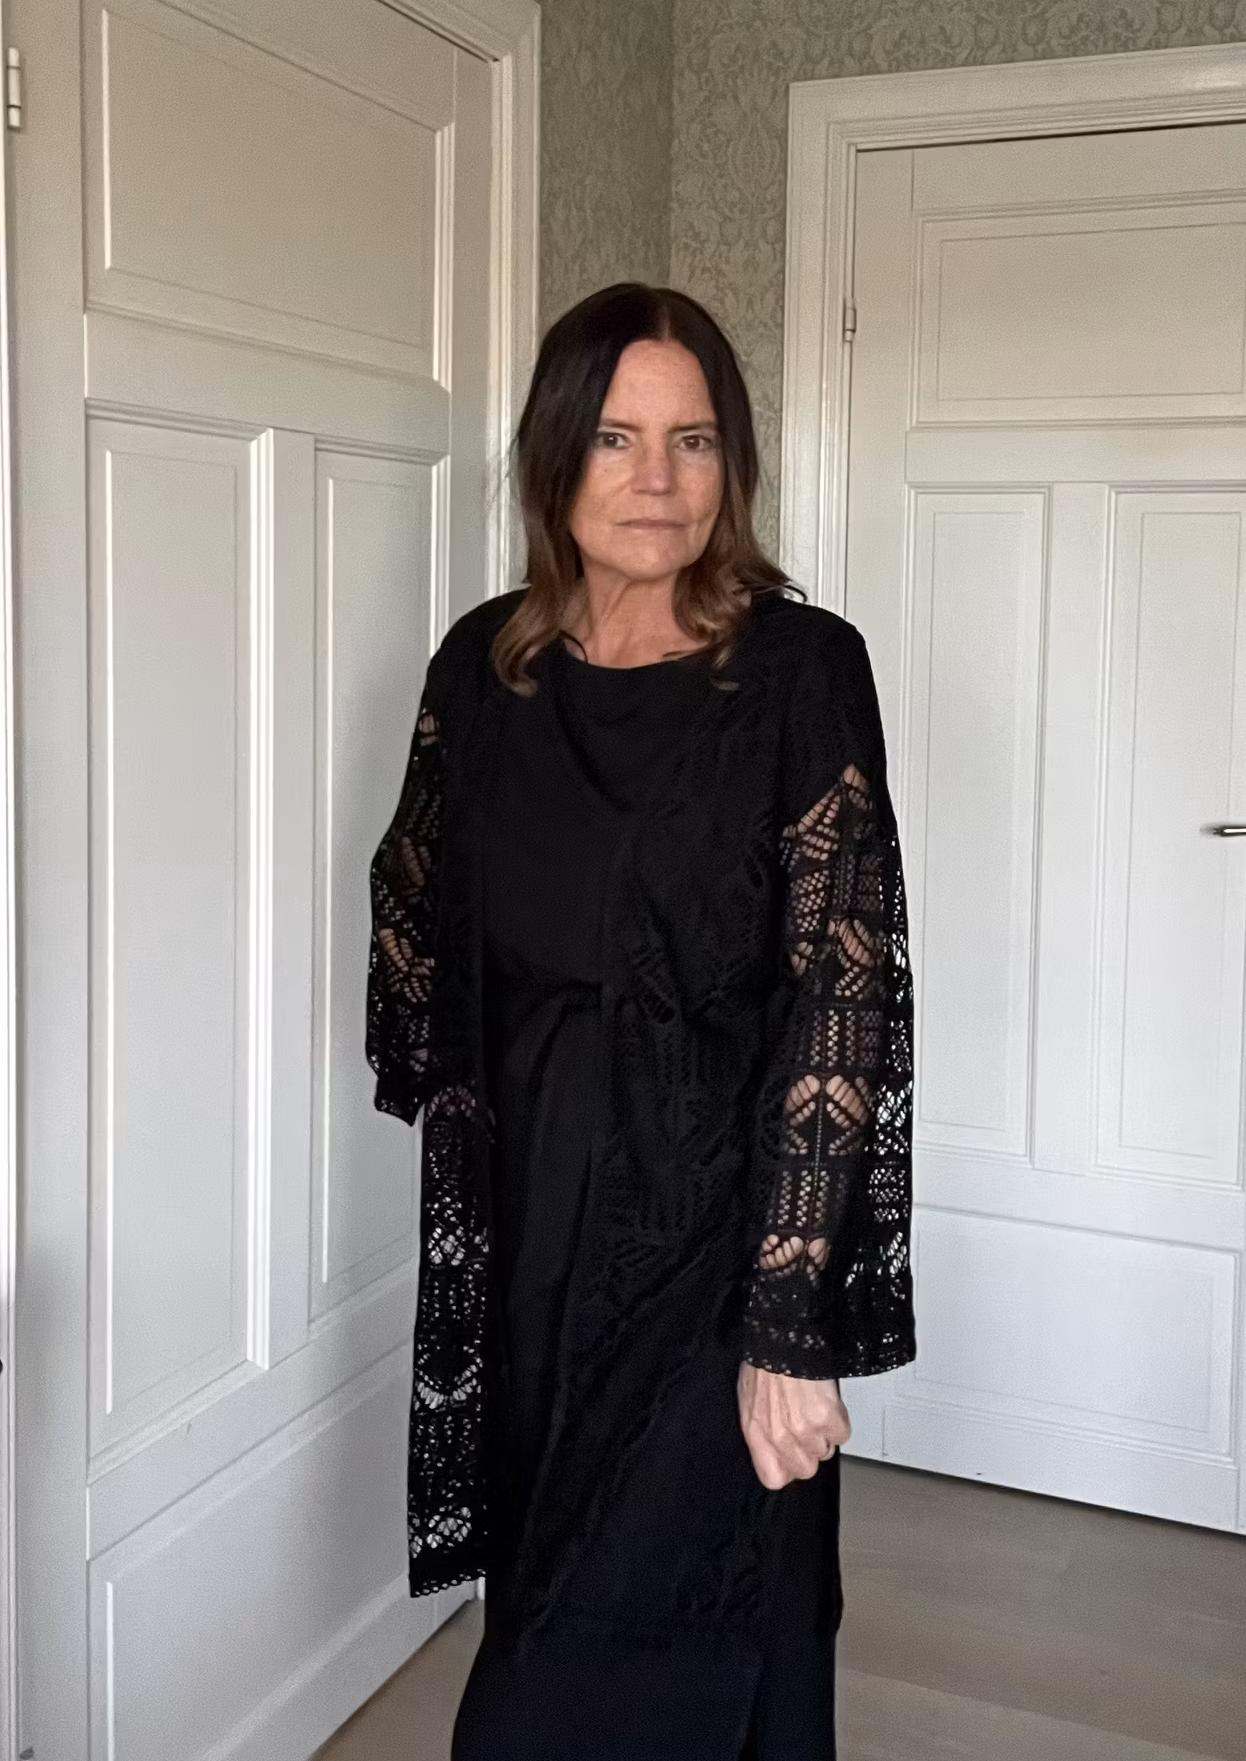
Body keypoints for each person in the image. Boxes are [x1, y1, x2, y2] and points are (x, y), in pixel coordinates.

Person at [366, 282, 915, 1760]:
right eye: (616, 438)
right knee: (555, 1577)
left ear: (734, 463)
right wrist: (469, 1083)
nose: (658, 480)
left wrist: (789, 1324)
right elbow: (415, 886)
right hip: (535, 1216)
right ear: (555, 456)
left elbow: (845, 991)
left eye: (694, 440)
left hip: (720, 1223)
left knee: (693, 1621)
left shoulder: (800, 672)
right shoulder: (483, 667)